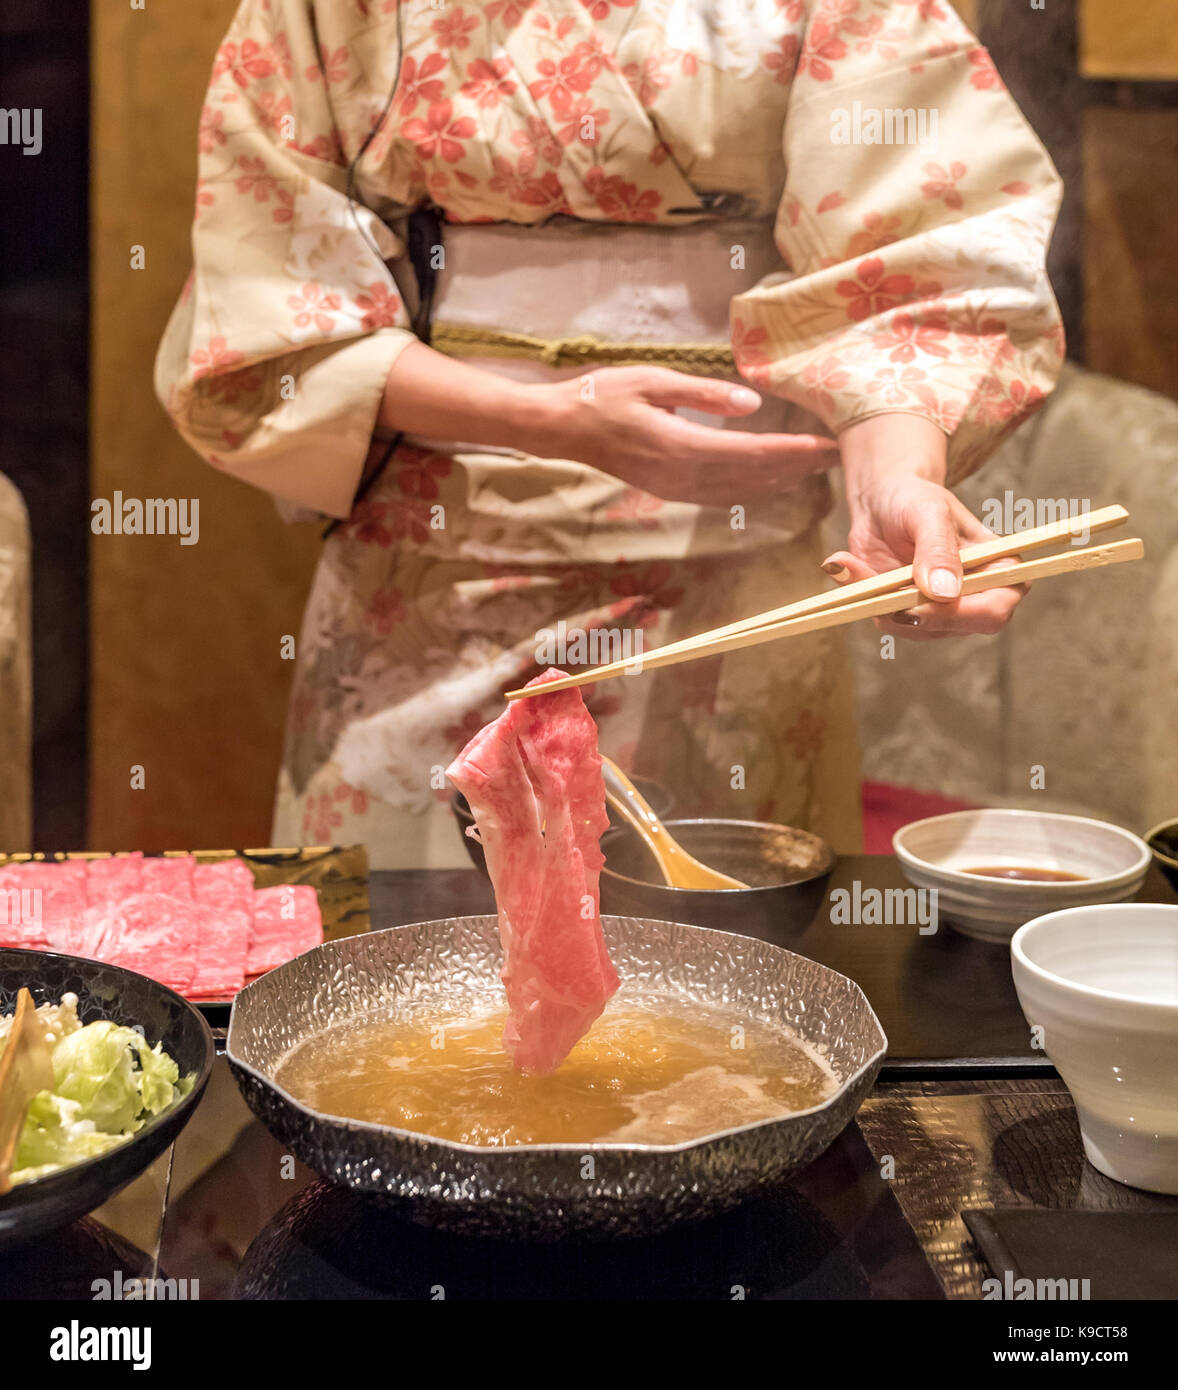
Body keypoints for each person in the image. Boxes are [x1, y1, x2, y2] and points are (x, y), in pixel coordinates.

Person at [155, 0, 1063, 868]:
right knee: (406, 981)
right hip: (430, 570)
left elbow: (911, 277)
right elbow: (267, 307)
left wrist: (892, 487)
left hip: (738, 590)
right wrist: (549, 421)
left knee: (727, 978)